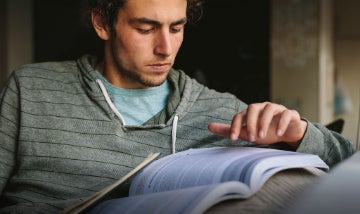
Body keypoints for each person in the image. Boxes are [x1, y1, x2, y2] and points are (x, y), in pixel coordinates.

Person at [0, 0, 355, 213]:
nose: (165, 48)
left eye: (177, 27)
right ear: (102, 23)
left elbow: (349, 163)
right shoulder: (30, 88)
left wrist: (300, 133)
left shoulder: (221, 111)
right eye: (146, 28)